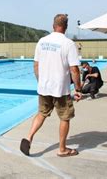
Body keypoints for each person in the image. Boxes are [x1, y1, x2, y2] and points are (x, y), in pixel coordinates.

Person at [20, 14, 83, 157]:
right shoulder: (68, 44)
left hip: (44, 87)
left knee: (42, 113)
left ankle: (28, 137)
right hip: (60, 89)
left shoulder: (42, 41)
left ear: (53, 25)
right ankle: (62, 149)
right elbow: (74, 70)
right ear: (66, 27)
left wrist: (41, 82)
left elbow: (36, 66)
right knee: (64, 118)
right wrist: (78, 89)